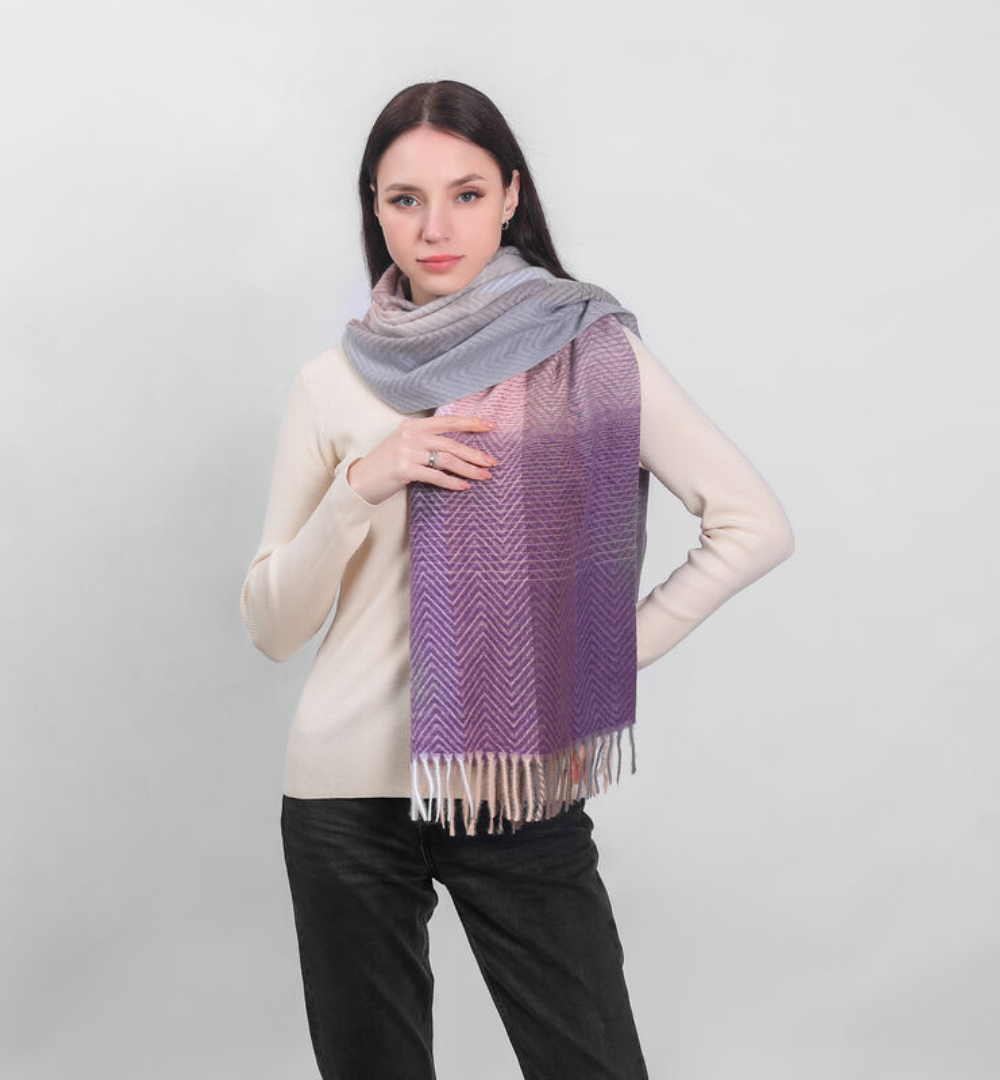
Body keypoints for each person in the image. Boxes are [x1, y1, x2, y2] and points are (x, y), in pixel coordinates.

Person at [240, 79, 795, 1080]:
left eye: (465, 193)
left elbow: (752, 526)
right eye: (405, 199)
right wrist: (364, 485)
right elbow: (273, 625)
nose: (435, 227)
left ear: (509, 195)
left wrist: (590, 667)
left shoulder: (586, 351)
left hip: (514, 782)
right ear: (374, 209)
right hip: (343, 798)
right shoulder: (331, 384)